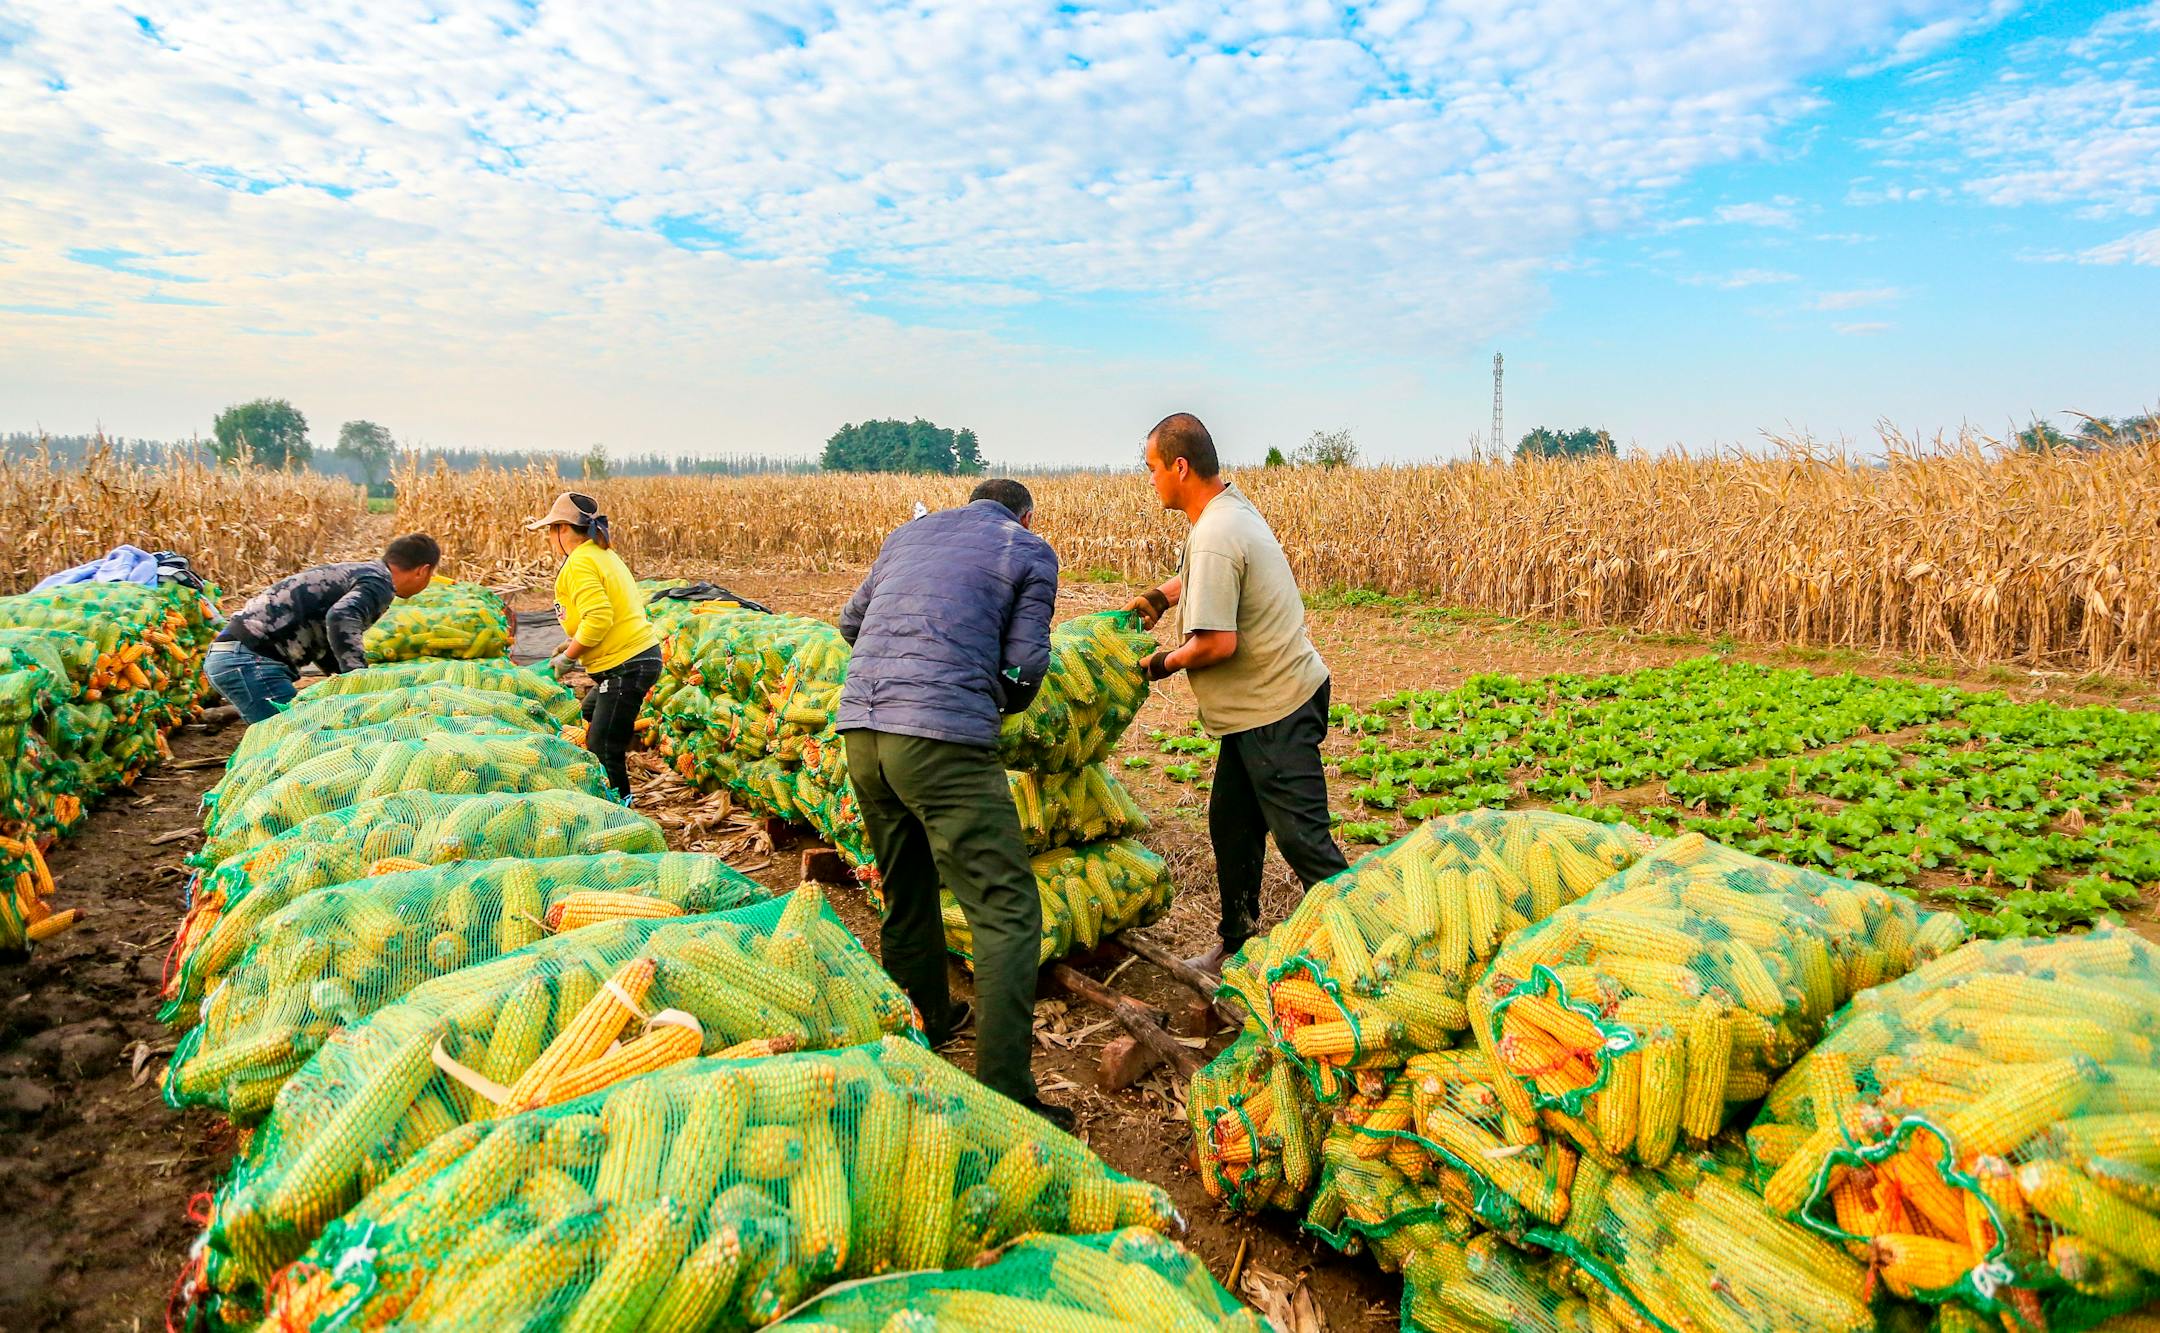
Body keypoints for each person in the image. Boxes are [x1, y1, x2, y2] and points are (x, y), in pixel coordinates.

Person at [837, 478, 1070, 1129]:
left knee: (906, 886)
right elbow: (1026, 663)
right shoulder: (1027, 548)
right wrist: (998, 696)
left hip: (861, 732)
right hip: (940, 739)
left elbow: (850, 622)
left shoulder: (907, 535)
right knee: (1006, 908)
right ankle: (1005, 1097)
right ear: (1024, 515)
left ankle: (924, 1022)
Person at [1124, 412, 1349, 973]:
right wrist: (1162, 596)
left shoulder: (1216, 533)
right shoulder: (1225, 510)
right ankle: (1237, 941)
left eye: (1152, 469)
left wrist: (1160, 664)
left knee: (1305, 844)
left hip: (1275, 707)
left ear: (1180, 466)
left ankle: (1367, 945)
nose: (1149, 480)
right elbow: (1208, 573)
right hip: (1256, 710)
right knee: (1232, 824)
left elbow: (1216, 644)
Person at [205, 533, 440, 723]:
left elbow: (330, 638)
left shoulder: (365, 574)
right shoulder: (380, 583)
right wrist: (360, 681)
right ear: (423, 570)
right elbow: (341, 617)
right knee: (297, 740)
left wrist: (339, 682)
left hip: (235, 658)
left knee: (296, 735)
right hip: (248, 662)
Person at [525, 491, 662, 799]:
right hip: (631, 661)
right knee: (588, 712)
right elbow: (598, 614)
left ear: (563, 529)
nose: (548, 537)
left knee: (603, 745)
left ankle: (619, 814)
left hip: (627, 665)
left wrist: (569, 658)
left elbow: (599, 617)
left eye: (550, 529)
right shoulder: (599, 554)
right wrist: (572, 642)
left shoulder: (580, 563)